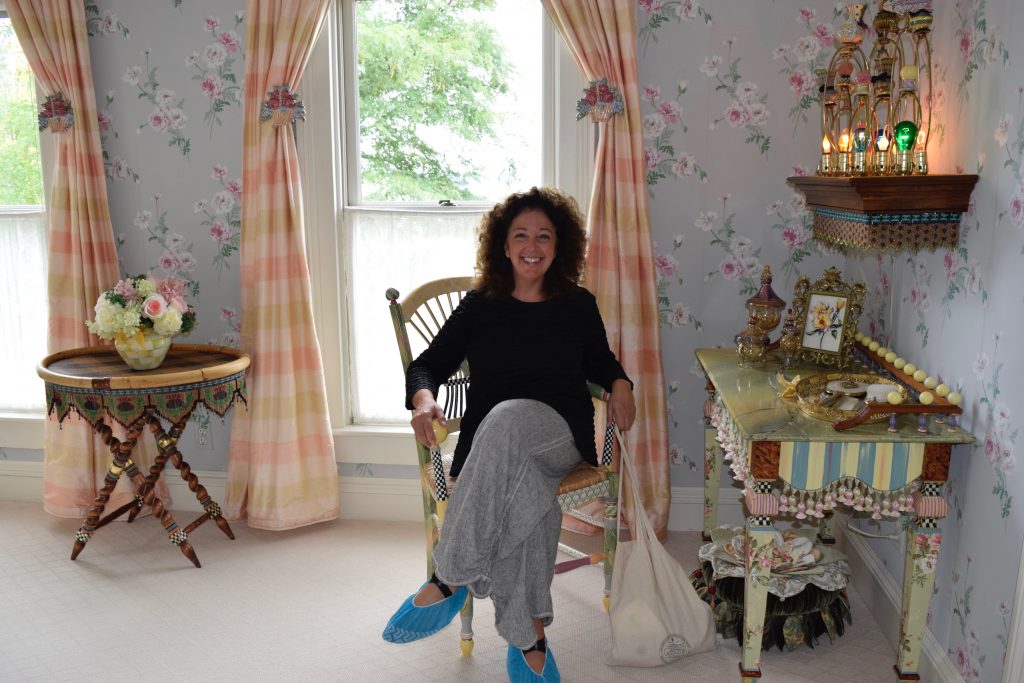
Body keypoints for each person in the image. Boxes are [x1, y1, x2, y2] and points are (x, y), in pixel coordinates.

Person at [381, 186, 635, 683]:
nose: (532, 245)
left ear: (560, 246)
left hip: (560, 436)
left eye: (544, 235)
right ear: (503, 244)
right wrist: (425, 400)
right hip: (496, 450)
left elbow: (602, 362)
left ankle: (450, 575)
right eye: (521, 235)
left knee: (508, 417)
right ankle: (529, 635)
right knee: (528, 493)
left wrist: (621, 384)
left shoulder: (577, 304)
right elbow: (428, 366)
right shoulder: (481, 306)